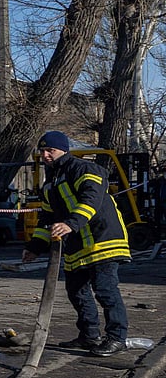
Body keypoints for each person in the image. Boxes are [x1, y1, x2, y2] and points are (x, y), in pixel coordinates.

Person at [22, 130, 131, 356]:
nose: (46, 155)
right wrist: (34, 248)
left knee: (105, 290)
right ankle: (89, 336)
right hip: (78, 246)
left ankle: (117, 338)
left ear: (63, 150)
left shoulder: (85, 169)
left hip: (103, 241)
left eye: (50, 150)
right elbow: (48, 220)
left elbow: (91, 199)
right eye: (42, 151)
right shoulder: (50, 184)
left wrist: (71, 224)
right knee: (77, 292)